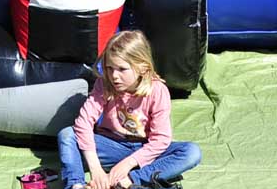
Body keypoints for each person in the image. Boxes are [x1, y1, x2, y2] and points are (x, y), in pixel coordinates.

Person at [57, 30, 201, 189]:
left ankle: (128, 182)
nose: (114, 76)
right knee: (68, 135)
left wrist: (128, 165)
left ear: (142, 68)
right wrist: (96, 169)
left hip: (144, 151)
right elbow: (83, 123)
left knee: (191, 152)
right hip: (111, 146)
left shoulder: (157, 91)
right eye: (110, 68)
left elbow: (161, 140)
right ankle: (76, 185)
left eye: (122, 69)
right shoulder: (104, 85)